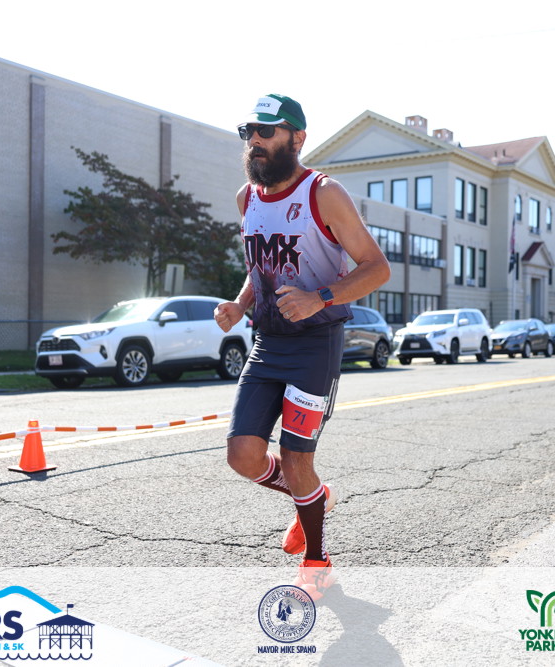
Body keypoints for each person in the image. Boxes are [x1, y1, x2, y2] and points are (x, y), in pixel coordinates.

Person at [214, 94, 390, 600]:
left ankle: (317, 562)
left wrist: (320, 298)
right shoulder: (247, 199)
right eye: (249, 132)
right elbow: (260, 268)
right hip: (268, 344)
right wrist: (240, 304)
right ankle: (314, 495)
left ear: (297, 138)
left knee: (296, 460)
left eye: (266, 131)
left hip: (316, 344)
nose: (255, 140)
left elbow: (377, 268)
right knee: (243, 456)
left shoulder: (324, 193)